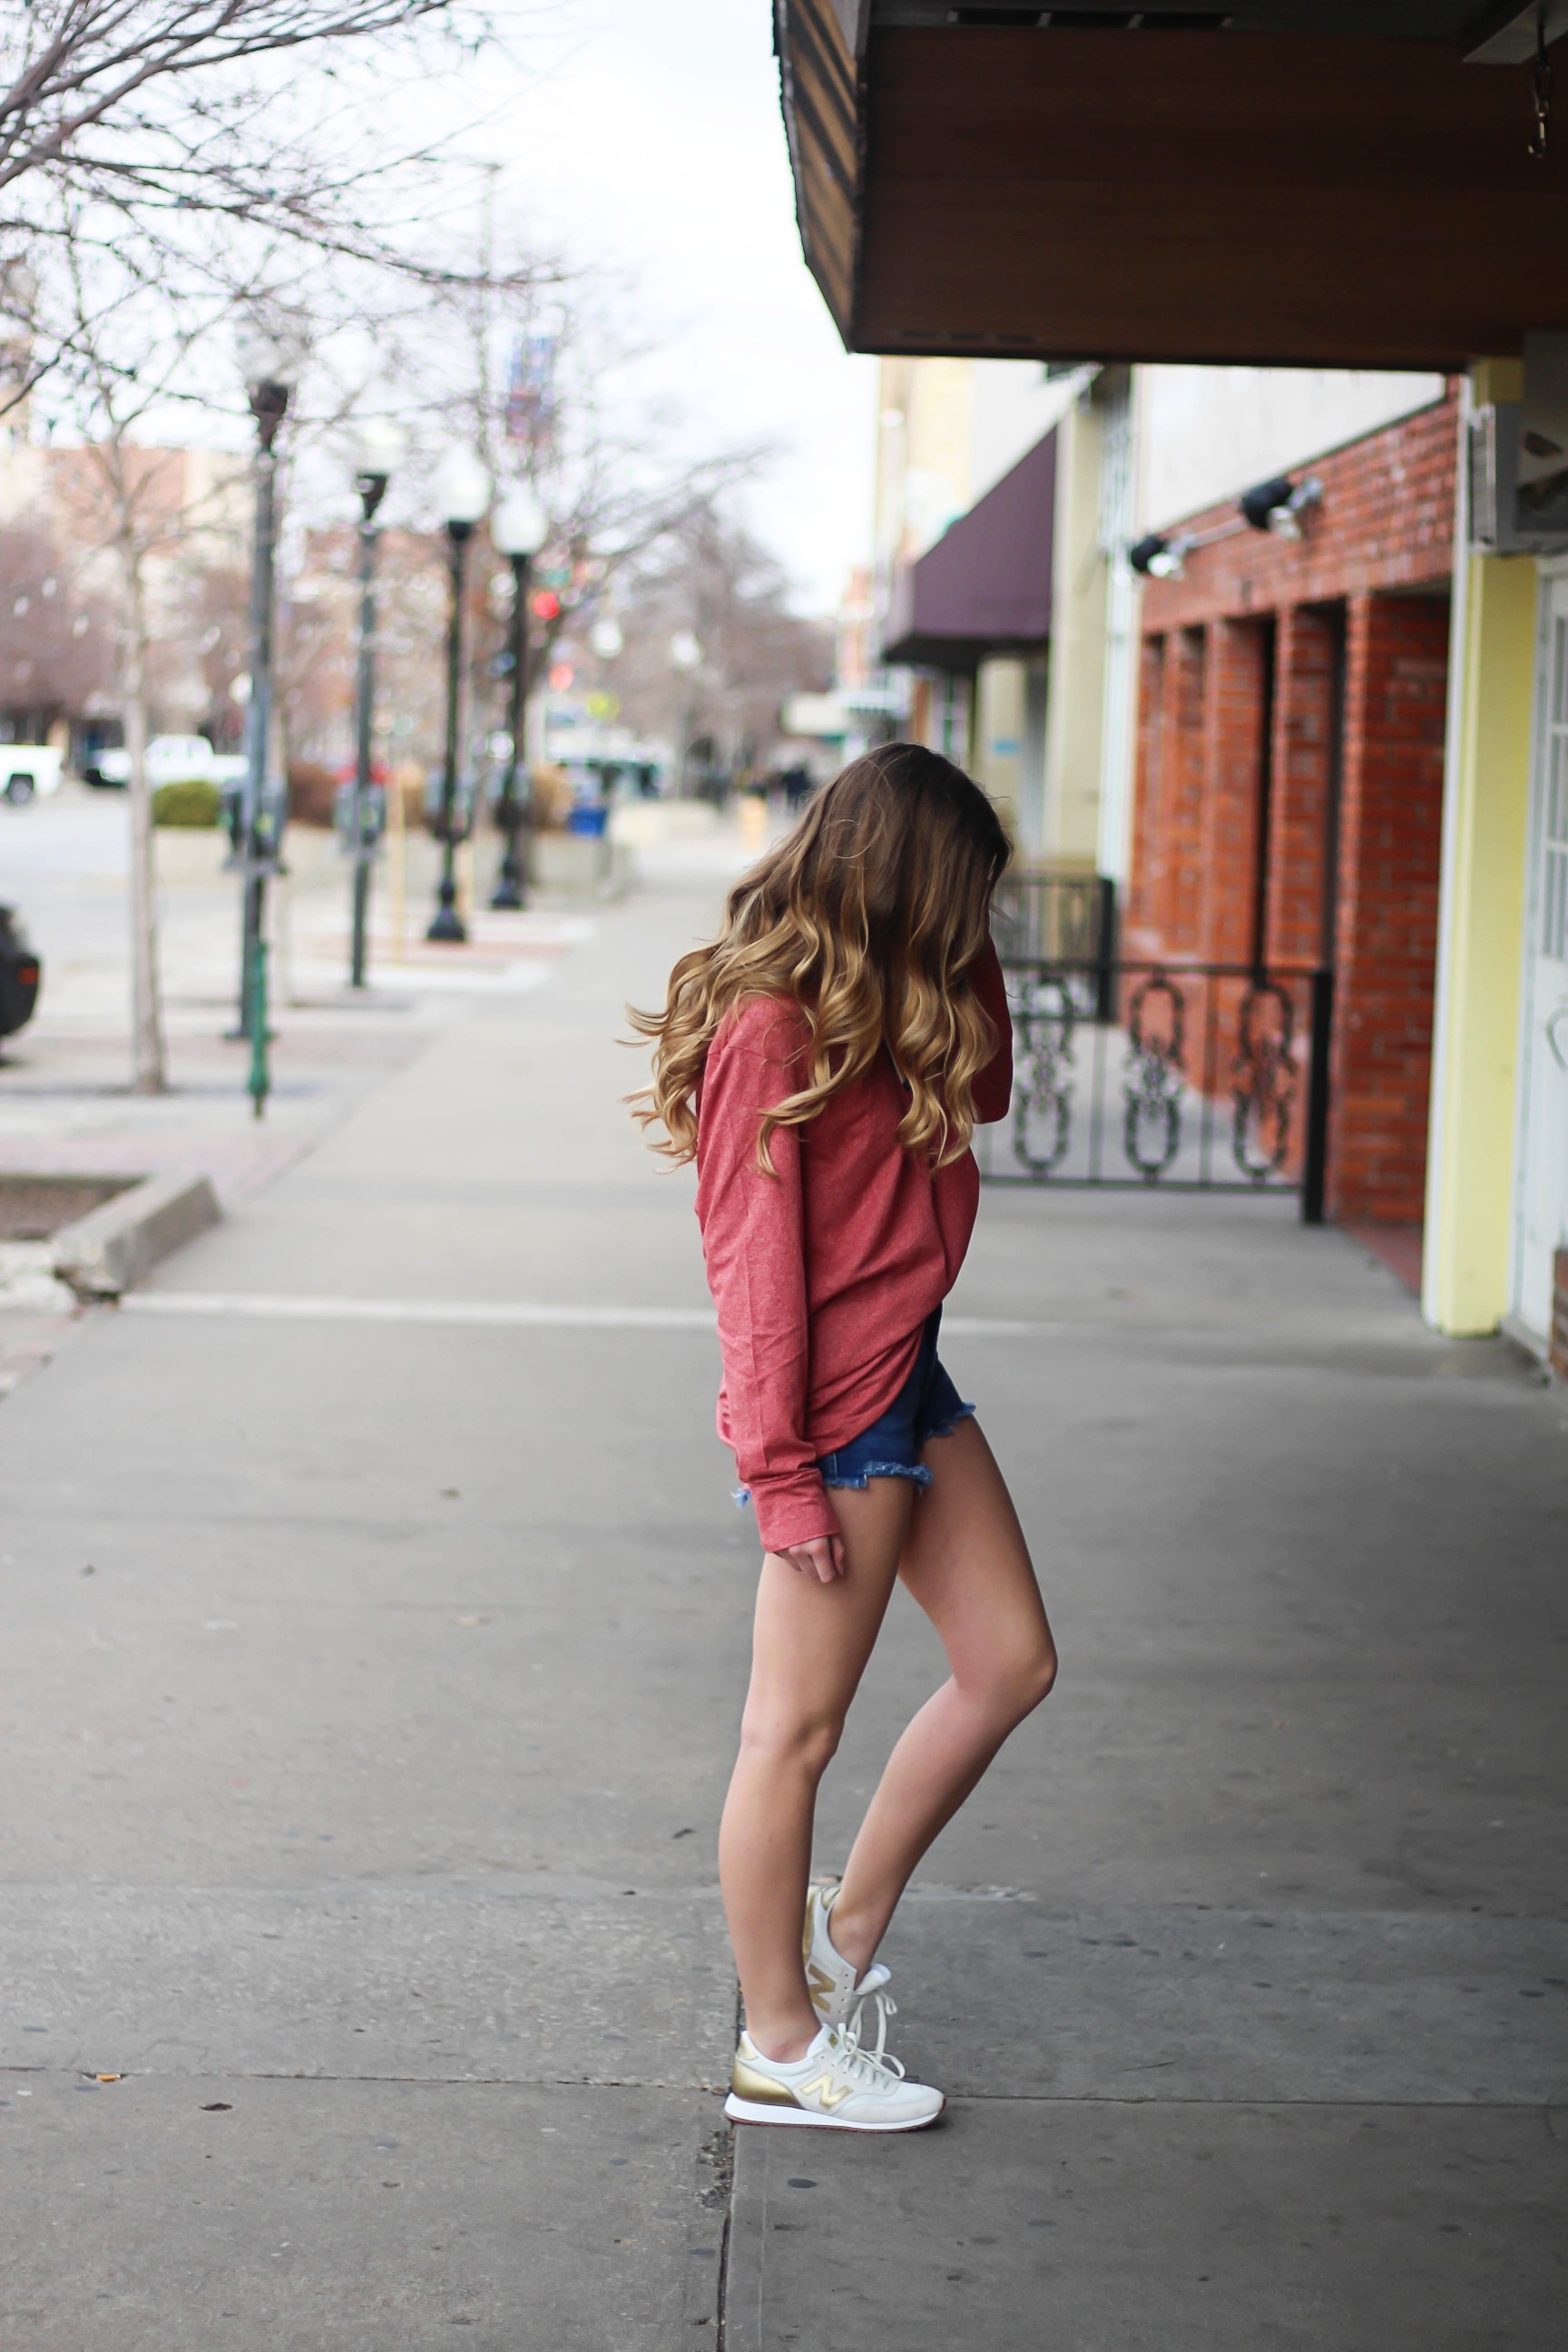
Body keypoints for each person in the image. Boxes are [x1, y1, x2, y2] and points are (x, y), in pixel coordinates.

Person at [630, 742, 1057, 2134]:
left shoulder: (904, 1004)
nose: (978, 926)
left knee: (1009, 1663)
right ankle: (779, 2047)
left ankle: (842, 1929)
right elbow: (748, 1269)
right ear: (909, 885)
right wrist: (781, 1478)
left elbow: (989, 1093)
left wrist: (969, 946)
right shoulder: (771, 1028)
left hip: (905, 1373)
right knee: (791, 1735)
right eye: (968, 898)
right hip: (834, 1417)